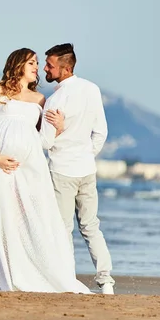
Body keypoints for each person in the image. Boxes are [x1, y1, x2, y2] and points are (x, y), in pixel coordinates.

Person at [0, 47, 91, 294]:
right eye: (32, 63)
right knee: (1, 217)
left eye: (38, 63)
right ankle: (9, 273)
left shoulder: (40, 100)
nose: (37, 67)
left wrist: (58, 127)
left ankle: (40, 270)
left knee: (34, 217)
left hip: (30, 167)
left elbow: (42, 137)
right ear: (18, 65)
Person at [40, 43, 115, 294]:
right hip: (86, 168)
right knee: (91, 226)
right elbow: (101, 132)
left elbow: (46, 142)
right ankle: (105, 281)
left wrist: (58, 132)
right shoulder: (92, 89)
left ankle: (67, 280)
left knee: (63, 229)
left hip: (61, 170)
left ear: (66, 68)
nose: (45, 69)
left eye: (49, 65)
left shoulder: (53, 101)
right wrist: (85, 154)